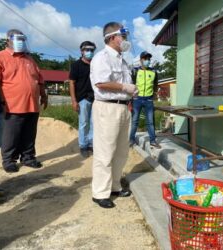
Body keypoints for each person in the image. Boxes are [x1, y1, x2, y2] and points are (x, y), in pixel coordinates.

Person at [90, 22, 137, 208]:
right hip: (107, 108)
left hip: (123, 108)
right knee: (105, 151)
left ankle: (115, 186)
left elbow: (125, 84)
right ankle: (100, 192)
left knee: (121, 151)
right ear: (112, 37)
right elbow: (101, 83)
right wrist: (125, 87)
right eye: (122, 36)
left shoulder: (122, 60)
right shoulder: (102, 57)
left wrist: (130, 93)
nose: (125, 40)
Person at [0, 29, 47, 173]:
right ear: (8, 40)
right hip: (12, 105)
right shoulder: (0, 57)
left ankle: (28, 157)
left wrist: (43, 95)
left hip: (32, 104)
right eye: (17, 39)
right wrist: (2, 102)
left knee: (29, 133)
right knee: (11, 134)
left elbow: (39, 79)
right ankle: (9, 160)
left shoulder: (29, 58)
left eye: (22, 39)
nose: (20, 42)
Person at [69, 41, 96, 158]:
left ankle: (91, 144)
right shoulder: (76, 65)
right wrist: (74, 101)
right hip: (82, 99)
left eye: (91, 50)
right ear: (82, 51)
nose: (89, 52)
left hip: (95, 98)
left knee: (94, 123)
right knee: (83, 123)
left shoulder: (95, 64)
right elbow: (71, 83)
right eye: (87, 50)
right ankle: (83, 145)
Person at [129, 51, 161, 148]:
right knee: (135, 121)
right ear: (141, 60)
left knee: (150, 121)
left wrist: (154, 94)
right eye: (145, 59)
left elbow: (155, 85)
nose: (147, 60)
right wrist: (130, 99)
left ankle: (152, 140)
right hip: (136, 99)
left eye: (148, 59)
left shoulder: (154, 72)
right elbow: (131, 84)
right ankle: (131, 139)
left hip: (148, 100)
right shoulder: (135, 71)